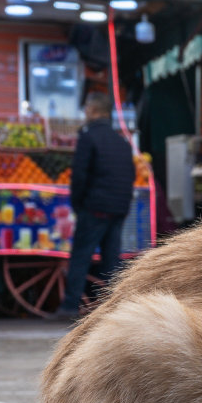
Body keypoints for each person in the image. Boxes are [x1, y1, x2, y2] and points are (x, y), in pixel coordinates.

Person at [54, 94, 137, 319]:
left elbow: (79, 175)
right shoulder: (121, 141)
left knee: (81, 257)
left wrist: (78, 204)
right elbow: (130, 175)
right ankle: (113, 310)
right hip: (118, 208)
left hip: (94, 207)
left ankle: (70, 306)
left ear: (92, 110)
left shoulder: (88, 137)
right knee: (112, 262)